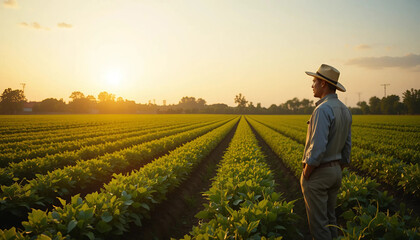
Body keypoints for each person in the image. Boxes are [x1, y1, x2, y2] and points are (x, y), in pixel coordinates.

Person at [300, 64, 352, 240]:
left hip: (319, 173)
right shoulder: (344, 110)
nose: (312, 85)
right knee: (331, 220)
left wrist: (307, 173)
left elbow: (317, 147)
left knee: (319, 226)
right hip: (336, 171)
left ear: (323, 84)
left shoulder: (322, 110)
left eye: (314, 81)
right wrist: (338, 168)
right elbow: (347, 146)